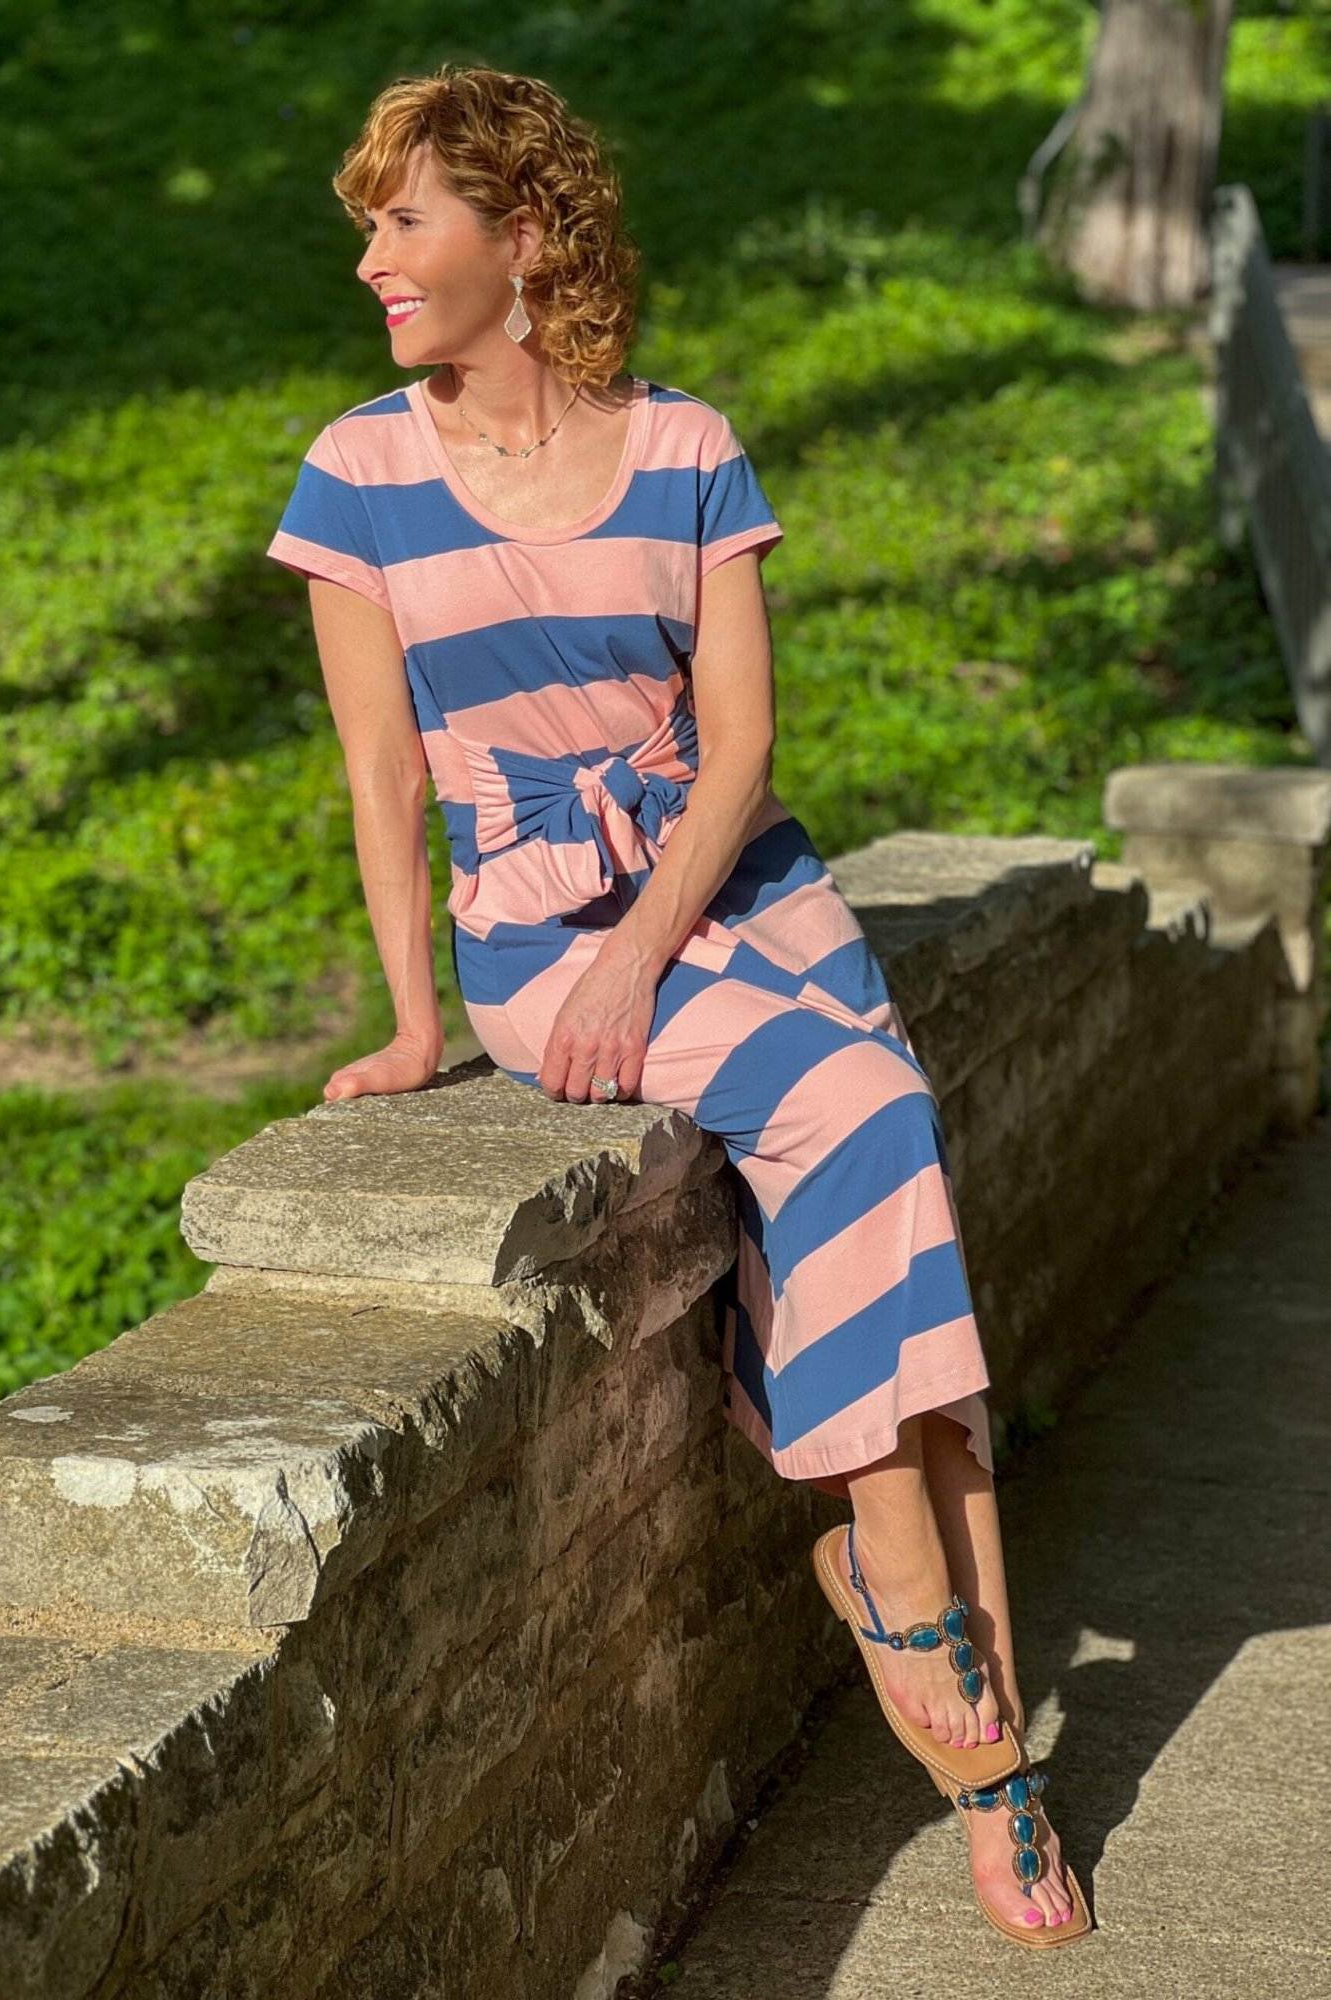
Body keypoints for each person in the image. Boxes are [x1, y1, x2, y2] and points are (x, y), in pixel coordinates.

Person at [265, 61, 1090, 1949]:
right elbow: (383, 779)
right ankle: (933, 1659)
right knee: (866, 1125)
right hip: (547, 931)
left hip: (742, 900)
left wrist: (668, 943)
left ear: (525, 235)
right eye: (372, 226)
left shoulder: (687, 446)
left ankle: (980, 1728)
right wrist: (418, 1023)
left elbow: (742, 746)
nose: (377, 259)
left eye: (409, 220)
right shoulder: (359, 476)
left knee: (909, 1253)